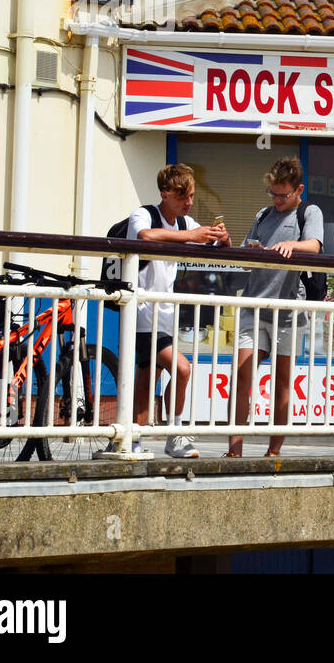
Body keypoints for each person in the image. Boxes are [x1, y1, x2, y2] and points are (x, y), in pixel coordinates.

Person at [125, 164, 229, 458]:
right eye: (183, 196)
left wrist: (220, 238)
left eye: (192, 196)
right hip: (142, 313)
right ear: (165, 194)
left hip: (166, 316)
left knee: (148, 378)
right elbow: (146, 236)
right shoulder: (143, 214)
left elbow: (210, 242)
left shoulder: (185, 223)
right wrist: (192, 236)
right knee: (182, 368)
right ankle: (175, 433)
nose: (189, 202)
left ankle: (133, 438)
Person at [228, 156, 324, 458]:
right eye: (273, 193)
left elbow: (315, 246)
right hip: (254, 307)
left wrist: (293, 245)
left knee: (283, 382)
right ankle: (234, 451)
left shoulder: (309, 211)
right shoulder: (263, 214)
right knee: (242, 376)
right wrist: (246, 250)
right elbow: (245, 263)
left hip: (288, 310)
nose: (277, 200)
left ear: (299, 190)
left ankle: (274, 452)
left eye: (283, 195)